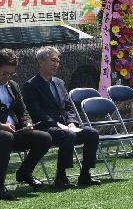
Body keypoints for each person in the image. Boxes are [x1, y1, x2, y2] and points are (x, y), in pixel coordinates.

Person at [0, 49, 53, 200]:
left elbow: (23, 110)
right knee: (5, 136)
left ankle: (24, 173)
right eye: (4, 74)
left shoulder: (13, 85)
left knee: (44, 137)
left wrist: (27, 123)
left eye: (11, 74)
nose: (7, 78)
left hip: (13, 132)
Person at [23, 46, 102, 189]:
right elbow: (36, 112)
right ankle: (61, 176)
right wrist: (58, 125)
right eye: (53, 60)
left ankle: (85, 174)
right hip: (46, 127)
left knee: (92, 133)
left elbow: (68, 107)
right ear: (41, 62)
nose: (56, 64)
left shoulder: (59, 82)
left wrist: (72, 122)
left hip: (66, 126)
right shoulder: (31, 85)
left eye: (58, 61)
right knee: (68, 135)